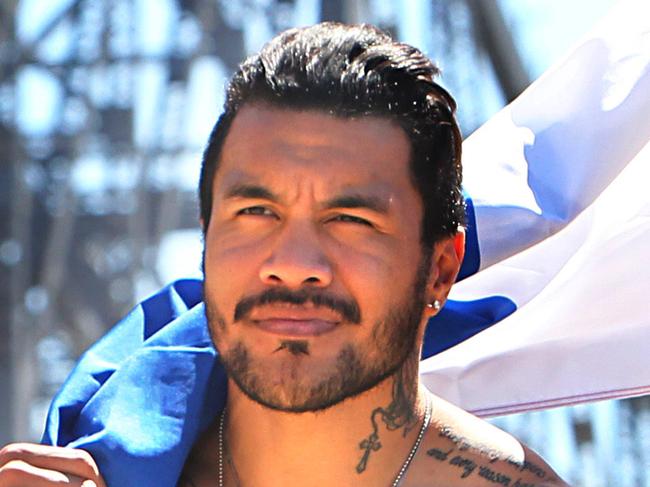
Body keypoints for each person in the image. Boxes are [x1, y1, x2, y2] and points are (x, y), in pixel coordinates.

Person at [0, 23, 569, 486]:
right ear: (206, 241)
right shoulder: (102, 465)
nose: (293, 262)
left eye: (350, 220)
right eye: (256, 213)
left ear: (440, 270)